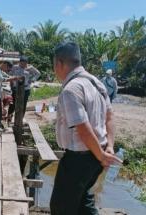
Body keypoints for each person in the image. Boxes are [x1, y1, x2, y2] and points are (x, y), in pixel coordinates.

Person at [50, 41, 122, 215]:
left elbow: (83, 128)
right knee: (83, 202)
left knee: (61, 208)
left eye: (54, 65)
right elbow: (110, 117)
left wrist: (102, 155)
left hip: (79, 160)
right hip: (97, 155)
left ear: (59, 63)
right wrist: (108, 148)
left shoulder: (71, 89)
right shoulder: (97, 83)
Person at [0, 61, 22, 131]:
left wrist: (15, 77)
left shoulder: (0, 70)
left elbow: (6, 76)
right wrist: (12, 79)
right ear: (5, 64)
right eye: (7, 68)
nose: (6, 70)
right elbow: (0, 79)